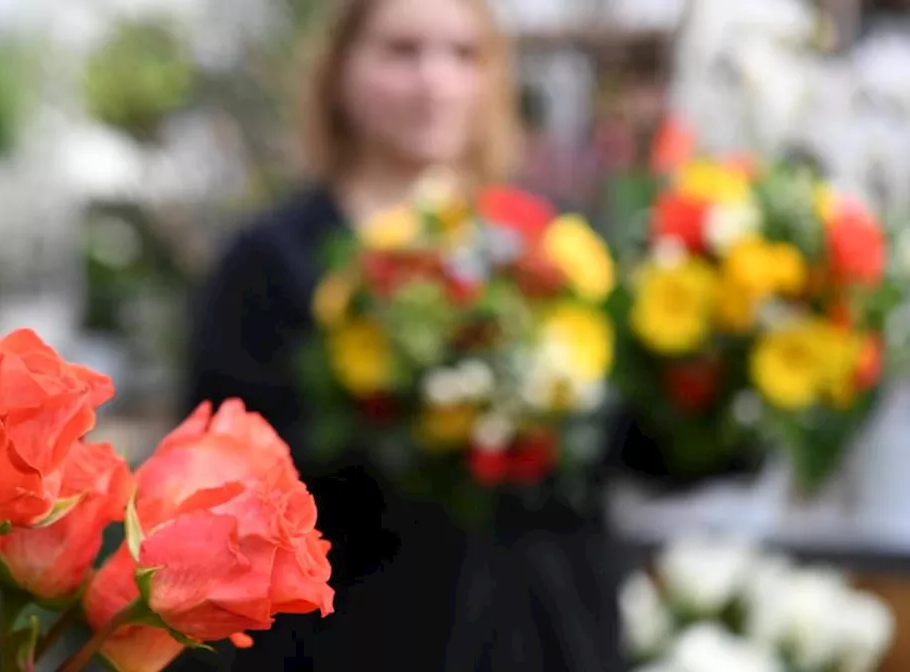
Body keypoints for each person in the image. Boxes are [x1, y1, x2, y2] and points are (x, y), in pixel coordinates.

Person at [181, 0, 623, 670]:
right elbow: (226, 477)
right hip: (356, 637)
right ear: (340, 72)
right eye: (402, 51)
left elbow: (619, 447)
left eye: (462, 54)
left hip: (539, 635)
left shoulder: (550, 247)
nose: (435, 81)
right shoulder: (272, 259)